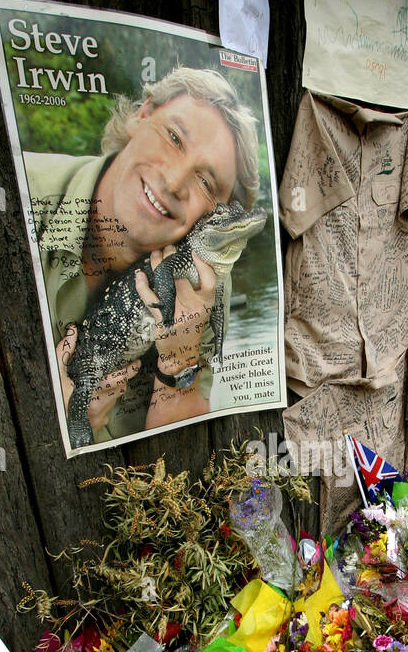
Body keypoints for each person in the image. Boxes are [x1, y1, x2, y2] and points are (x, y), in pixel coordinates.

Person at [24, 65, 260, 443]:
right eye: (174, 137)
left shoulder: (203, 286)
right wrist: (56, 419)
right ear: (142, 114)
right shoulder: (19, 197)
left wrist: (179, 361)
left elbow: (177, 465)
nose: (172, 181)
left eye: (205, 182)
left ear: (211, 216)